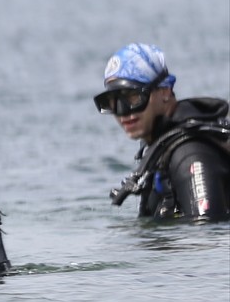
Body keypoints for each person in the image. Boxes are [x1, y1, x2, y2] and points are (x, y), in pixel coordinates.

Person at [95, 43, 230, 221]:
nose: (124, 113)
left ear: (165, 91)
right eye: (113, 101)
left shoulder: (190, 154)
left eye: (133, 98)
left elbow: (207, 233)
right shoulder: (162, 149)